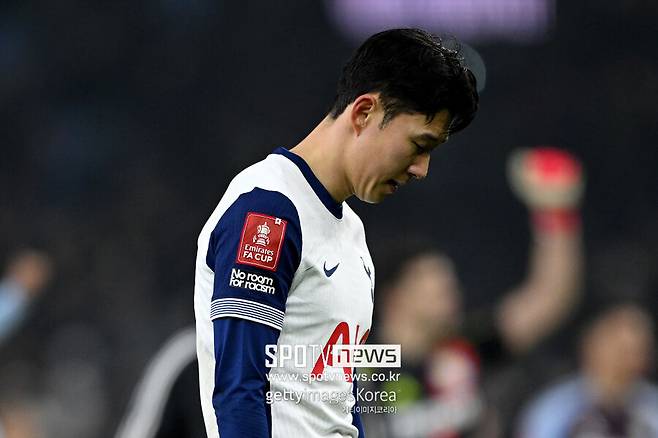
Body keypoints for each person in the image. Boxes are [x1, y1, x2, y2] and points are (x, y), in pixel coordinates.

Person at [194, 28, 479, 437]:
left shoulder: (353, 234)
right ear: (364, 113)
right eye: (419, 145)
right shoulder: (269, 211)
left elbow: (340, 401)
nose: (422, 169)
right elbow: (239, 391)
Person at [361, 147, 584, 437]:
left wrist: (556, 216)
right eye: (435, 288)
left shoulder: (468, 347)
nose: (450, 293)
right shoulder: (361, 365)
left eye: (450, 286)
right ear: (395, 297)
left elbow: (549, 298)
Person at [518, 302, 658, 438]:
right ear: (592, 349)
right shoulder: (555, 409)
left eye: (637, 352)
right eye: (620, 351)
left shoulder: (652, 409)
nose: (626, 362)